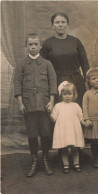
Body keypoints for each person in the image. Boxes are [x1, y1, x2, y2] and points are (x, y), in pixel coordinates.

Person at [14, 33, 57, 177]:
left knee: (45, 133)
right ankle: (34, 160)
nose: (33, 47)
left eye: (35, 44)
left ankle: (45, 159)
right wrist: (20, 103)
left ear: (40, 46)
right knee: (32, 135)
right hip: (29, 106)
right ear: (26, 46)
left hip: (45, 106)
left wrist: (51, 102)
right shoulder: (21, 64)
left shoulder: (47, 64)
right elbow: (18, 85)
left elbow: (52, 84)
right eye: (30, 44)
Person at [40, 12, 90, 107]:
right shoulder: (47, 44)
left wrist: (88, 82)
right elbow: (43, 67)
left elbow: (85, 63)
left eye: (63, 22)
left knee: (78, 109)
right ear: (52, 26)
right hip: (57, 81)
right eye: (57, 22)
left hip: (76, 81)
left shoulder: (75, 41)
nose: (60, 25)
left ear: (67, 24)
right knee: (60, 110)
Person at [50, 81, 85, 173]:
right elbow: (54, 118)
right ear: (61, 95)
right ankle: (66, 164)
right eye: (64, 94)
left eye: (70, 94)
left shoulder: (76, 106)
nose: (67, 96)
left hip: (73, 130)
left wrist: (85, 122)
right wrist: (49, 113)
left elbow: (81, 117)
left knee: (74, 148)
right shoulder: (58, 106)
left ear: (74, 94)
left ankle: (76, 163)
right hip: (63, 130)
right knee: (64, 148)